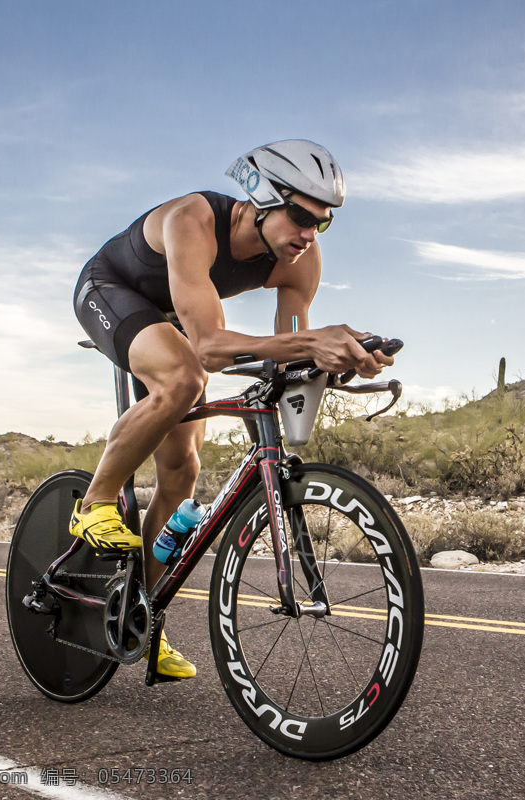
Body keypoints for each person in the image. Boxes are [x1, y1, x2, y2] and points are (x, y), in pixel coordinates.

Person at [70, 140, 393, 678]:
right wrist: (314, 342)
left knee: (182, 473)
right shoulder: (193, 219)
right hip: (110, 291)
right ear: (263, 197)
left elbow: (288, 349)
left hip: (177, 316)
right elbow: (210, 347)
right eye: (299, 216)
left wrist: (340, 359)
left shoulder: (300, 259)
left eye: (323, 223)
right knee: (183, 376)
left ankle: (141, 619)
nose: (310, 234)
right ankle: (95, 502)